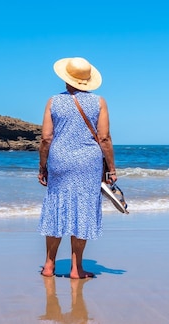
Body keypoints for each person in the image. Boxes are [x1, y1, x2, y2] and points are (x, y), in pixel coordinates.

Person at [38, 57, 118, 279]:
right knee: (82, 211)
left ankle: (49, 265)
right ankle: (76, 268)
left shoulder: (53, 102)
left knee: (56, 210)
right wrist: (111, 168)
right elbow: (104, 138)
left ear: (66, 78)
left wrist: (42, 167)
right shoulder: (99, 102)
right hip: (87, 164)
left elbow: (46, 138)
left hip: (59, 162)